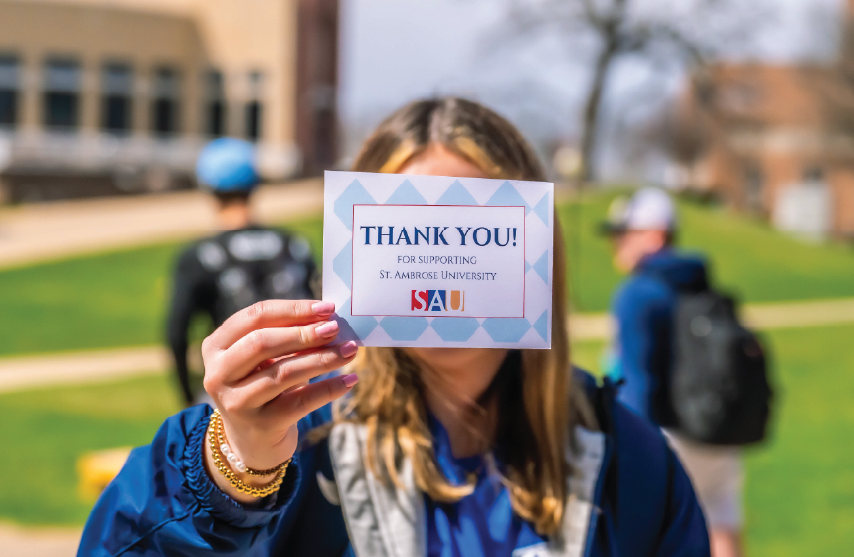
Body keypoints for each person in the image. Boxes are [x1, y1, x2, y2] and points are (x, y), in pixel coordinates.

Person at [80, 98, 710, 556]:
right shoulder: (284, 429)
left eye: (472, 231)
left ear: (534, 247)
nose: (438, 257)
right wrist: (235, 474)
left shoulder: (629, 458)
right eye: (406, 228)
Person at [603, 187, 744, 557]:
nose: (616, 244)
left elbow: (636, 380)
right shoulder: (699, 281)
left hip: (668, 432)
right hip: (716, 426)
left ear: (653, 235)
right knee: (721, 522)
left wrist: (631, 449)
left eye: (624, 233)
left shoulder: (638, 293)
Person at [166, 138, 318, 406]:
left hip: (237, 392)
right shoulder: (294, 246)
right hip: (303, 388)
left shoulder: (199, 255)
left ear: (208, 188)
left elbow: (177, 333)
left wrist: (189, 398)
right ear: (254, 186)